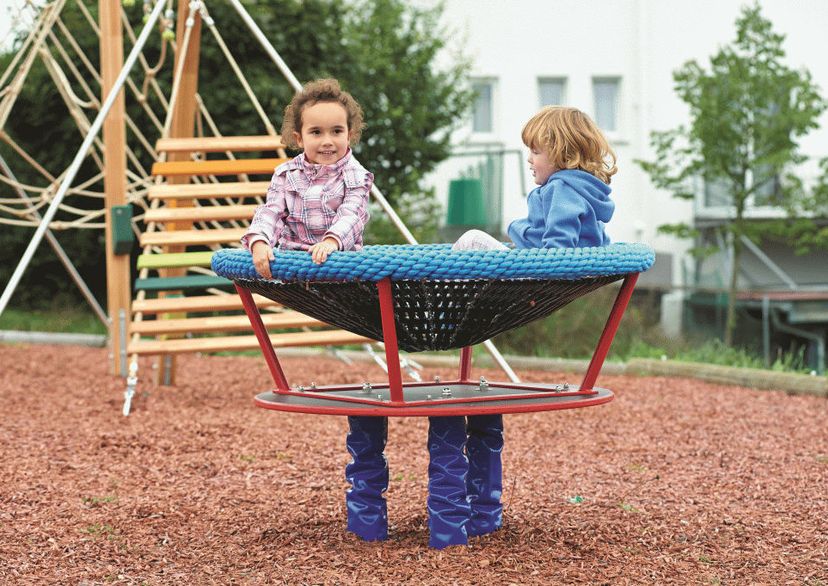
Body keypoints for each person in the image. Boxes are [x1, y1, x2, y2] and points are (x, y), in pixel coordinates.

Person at [432, 105, 617, 547]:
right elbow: (594, 241)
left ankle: (441, 315)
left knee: (471, 241)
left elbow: (555, 246)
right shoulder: (589, 190)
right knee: (473, 248)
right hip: (545, 279)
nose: (530, 161)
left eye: (535, 152)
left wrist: (524, 244)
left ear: (559, 152)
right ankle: (453, 308)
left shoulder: (560, 189)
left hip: (530, 276)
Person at [241, 78, 389, 542]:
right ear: (298, 137)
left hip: (339, 259)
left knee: (368, 276)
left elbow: (353, 214)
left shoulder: (355, 176)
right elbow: (271, 212)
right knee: (260, 249)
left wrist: (331, 240)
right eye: (317, 132)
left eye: (337, 131)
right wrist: (261, 240)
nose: (328, 141)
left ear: (350, 134)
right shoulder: (286, 175)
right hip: (295, 258)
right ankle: (274, 259)